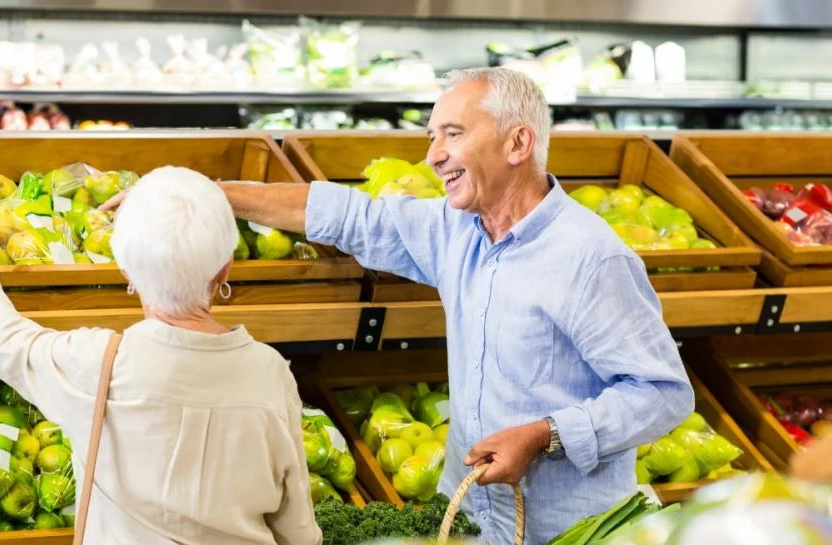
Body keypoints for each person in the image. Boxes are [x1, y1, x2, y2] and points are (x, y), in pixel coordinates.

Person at [106, 67, 695, 544]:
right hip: (466, 519)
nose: (434, 155)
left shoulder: (592, 258)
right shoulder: (459, 230)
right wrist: (204, 195)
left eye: (454, 134)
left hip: (566, 530)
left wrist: (543, 435)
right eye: (433, 135)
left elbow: (663, 393)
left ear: (519, 142)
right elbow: (347, 214)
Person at [0, 167, 323, 545]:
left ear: (126, 270)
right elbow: (297, 526)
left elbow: (10, 342)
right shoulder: (270, 373)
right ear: (226, 268)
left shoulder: (100, 363)